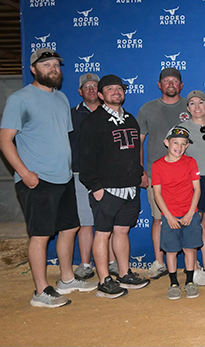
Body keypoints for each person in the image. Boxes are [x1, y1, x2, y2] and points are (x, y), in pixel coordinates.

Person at [0, 48, 95, 307]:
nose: (53, 68)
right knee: (40, 235)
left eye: (56, 64)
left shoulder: (62, 98)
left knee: (70, 227)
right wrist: (24, 173)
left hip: (63, 178)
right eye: (46, 65)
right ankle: (41, 291)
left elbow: (61, 138)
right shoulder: (20, 99)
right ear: (33, 69)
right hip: (36, 179)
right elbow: (5, 140)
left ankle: (66, 278)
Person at [80, 74, 151, 298]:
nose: (116, 92)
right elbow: (85, 159)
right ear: (100, 95)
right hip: (107, 190)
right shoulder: (93, 122)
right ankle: (104, 280)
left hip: (129, 189)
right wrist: (95, 187)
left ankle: (123, 273)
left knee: (122, 231)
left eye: (119, 89)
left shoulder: (130, 118)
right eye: (109, 89)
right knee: (102, 234)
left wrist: (139, 173)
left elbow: (133, 152)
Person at [138, 67, 189, 281]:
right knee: (158, 220)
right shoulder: (148, 109)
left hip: (187, 177)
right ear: (159, 85)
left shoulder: (191, 105)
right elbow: (138, 143)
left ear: (181, 85)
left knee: (189, 220)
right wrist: (141, 170)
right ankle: (159, 262)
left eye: (174, 81)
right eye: (166, 81)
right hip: (156, 176)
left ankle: (190, 265)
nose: (170, 84)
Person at [151, 126, 202, 300]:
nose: (179, 147)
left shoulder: (190, 162)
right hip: (169, 216)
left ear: (187, 146)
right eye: (175, 143)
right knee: (171, 251)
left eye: (183, 144)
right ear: (166, 142)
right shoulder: (158, 165)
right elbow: (157, 193)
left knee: (189, 248)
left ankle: (189, 281)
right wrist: (169, 216)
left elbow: (197, 190)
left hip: (190, 214)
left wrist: (189, 214)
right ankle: (173, 283)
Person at [178, 90, 205, 286]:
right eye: (192, 104)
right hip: (191, 183)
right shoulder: (181, 129)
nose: (197, 107)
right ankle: (192, 267)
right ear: (188, 108)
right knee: (193, 226)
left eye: (200, 103)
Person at [70, 73, 108, 281]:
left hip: (108, 176)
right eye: (87, 87)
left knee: (107, 222)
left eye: (95, 86)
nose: (92, 90)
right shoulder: (71, 115)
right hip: (80, 175)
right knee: (85, 223)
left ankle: (110, 262)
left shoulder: (111, 113)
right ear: (80, 91)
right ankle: (85, 264)